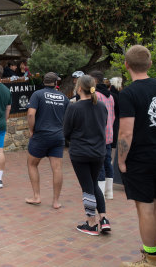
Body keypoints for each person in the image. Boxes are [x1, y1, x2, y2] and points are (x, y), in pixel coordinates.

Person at [118, 45, 156, 267]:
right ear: (149, 64)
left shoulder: (129, 94)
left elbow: (126, 132)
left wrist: (121, 161)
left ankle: (151, 259)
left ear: (127, 65)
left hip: (139, 158)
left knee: (145, 208)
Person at [64, 75, 111, 236]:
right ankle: (103, 218)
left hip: (80, 152)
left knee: (87, 187)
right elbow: (103, 126)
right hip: (98, 152)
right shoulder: (102, 107)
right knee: (93, 184)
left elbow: (66, 132)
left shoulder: (74, 108)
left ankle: (91, 223)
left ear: (79, 89)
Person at [25, 72, 69, 208]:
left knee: (32, 164)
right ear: (56, 83)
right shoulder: (64, 97)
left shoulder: (37, 94)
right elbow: (68, 118)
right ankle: (56, 201)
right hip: (58, 136)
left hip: (41, 135)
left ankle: (36, 196)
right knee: (57, 168)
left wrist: (31, 129)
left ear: (44, 81)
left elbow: (31, 114)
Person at [91, 70, 117, 200]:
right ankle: (109, 192)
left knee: (99, 164)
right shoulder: (110, 96)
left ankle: (99, 193)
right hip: (109, 133)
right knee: (107, 162)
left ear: (94, 80)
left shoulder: (95, 95)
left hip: (98, 135)